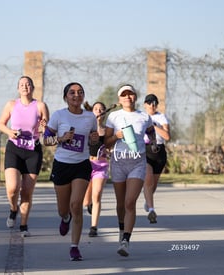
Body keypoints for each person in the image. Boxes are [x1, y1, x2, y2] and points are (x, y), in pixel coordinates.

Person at [43, 82, 99, 261]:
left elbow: (93, 142)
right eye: (72, 92)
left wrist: (94, 139)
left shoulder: (90, 117)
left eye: (80, 92)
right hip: (62, 165)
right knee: (63, 209)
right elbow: (46, 139)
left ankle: (74, 247)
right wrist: (61, 138)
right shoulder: (59, 115)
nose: (76, 95)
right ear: (66, 96)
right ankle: (65, 218)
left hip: (81, 165)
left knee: (76, 205)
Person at [104, 84, 157, 257]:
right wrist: (116, 136)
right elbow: (106, 142)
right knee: (120, 204)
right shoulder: (114, 116)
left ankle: (126, 240)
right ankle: (122, 229)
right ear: (119, 99)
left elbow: (150, 132)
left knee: (129, 202)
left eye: (130, 94)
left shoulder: (143, 116)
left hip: (137, 162)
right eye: (124, 95)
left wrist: (154, 143)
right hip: (118, 162)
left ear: (135, 97)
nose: (127, 97)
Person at [0, 76, 49, 237]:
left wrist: (43, 126)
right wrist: (9, 132)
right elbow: (0, 124)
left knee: (27, 192)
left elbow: (46, 126)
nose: (25, 87)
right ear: (18, 88)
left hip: (33, 151)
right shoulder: (12, 104)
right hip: (14, 148)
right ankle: (13, 209)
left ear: (32, 88)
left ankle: (24, 225)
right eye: (22, 85)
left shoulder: (40, 105)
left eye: (28, 84)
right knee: (12, 188)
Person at [82, 101, 110, 237]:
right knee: (86, 200)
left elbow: (112, 145)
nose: (98, 111)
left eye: (101, 109)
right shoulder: (87, 128)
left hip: (101, 166)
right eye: (95, 109)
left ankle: (94, 227)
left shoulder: (107, 130)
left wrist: (109, 151)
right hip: (87, 164)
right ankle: (89, 204)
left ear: (104, 113)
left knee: (97, 194)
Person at [143, 94, 171, 224]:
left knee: (153, 184)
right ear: (145, 105)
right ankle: (152, 210)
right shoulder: (141, 117)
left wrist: (154, 126)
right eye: (149, 103)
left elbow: (167, 136)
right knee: (148, 181)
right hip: (145, 151)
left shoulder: (161, 117)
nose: (152, 105)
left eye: (154, 103)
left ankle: (148, 201)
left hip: (159, 152)